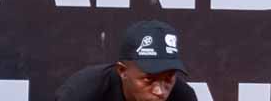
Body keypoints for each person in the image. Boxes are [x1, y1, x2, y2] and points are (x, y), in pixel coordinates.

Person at [51, 19, 194, 101]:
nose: (160, 91)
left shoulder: (182, 97)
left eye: (168, 79)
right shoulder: (82, 94)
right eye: (148, 79)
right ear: (122, 71)